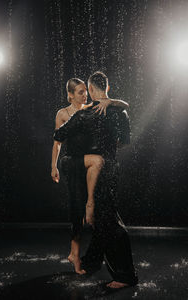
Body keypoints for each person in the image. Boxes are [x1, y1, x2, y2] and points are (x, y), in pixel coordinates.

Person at [53, 71, 138, 289]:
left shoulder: (84, 114)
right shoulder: (121, 113)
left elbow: (59, 136)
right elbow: (124, 142)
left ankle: (125, 276)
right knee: (101, 217)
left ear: (90, 90)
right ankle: (92, 260)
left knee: (109, 221)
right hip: (111, 168)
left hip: (93, 171)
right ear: (107, 89)